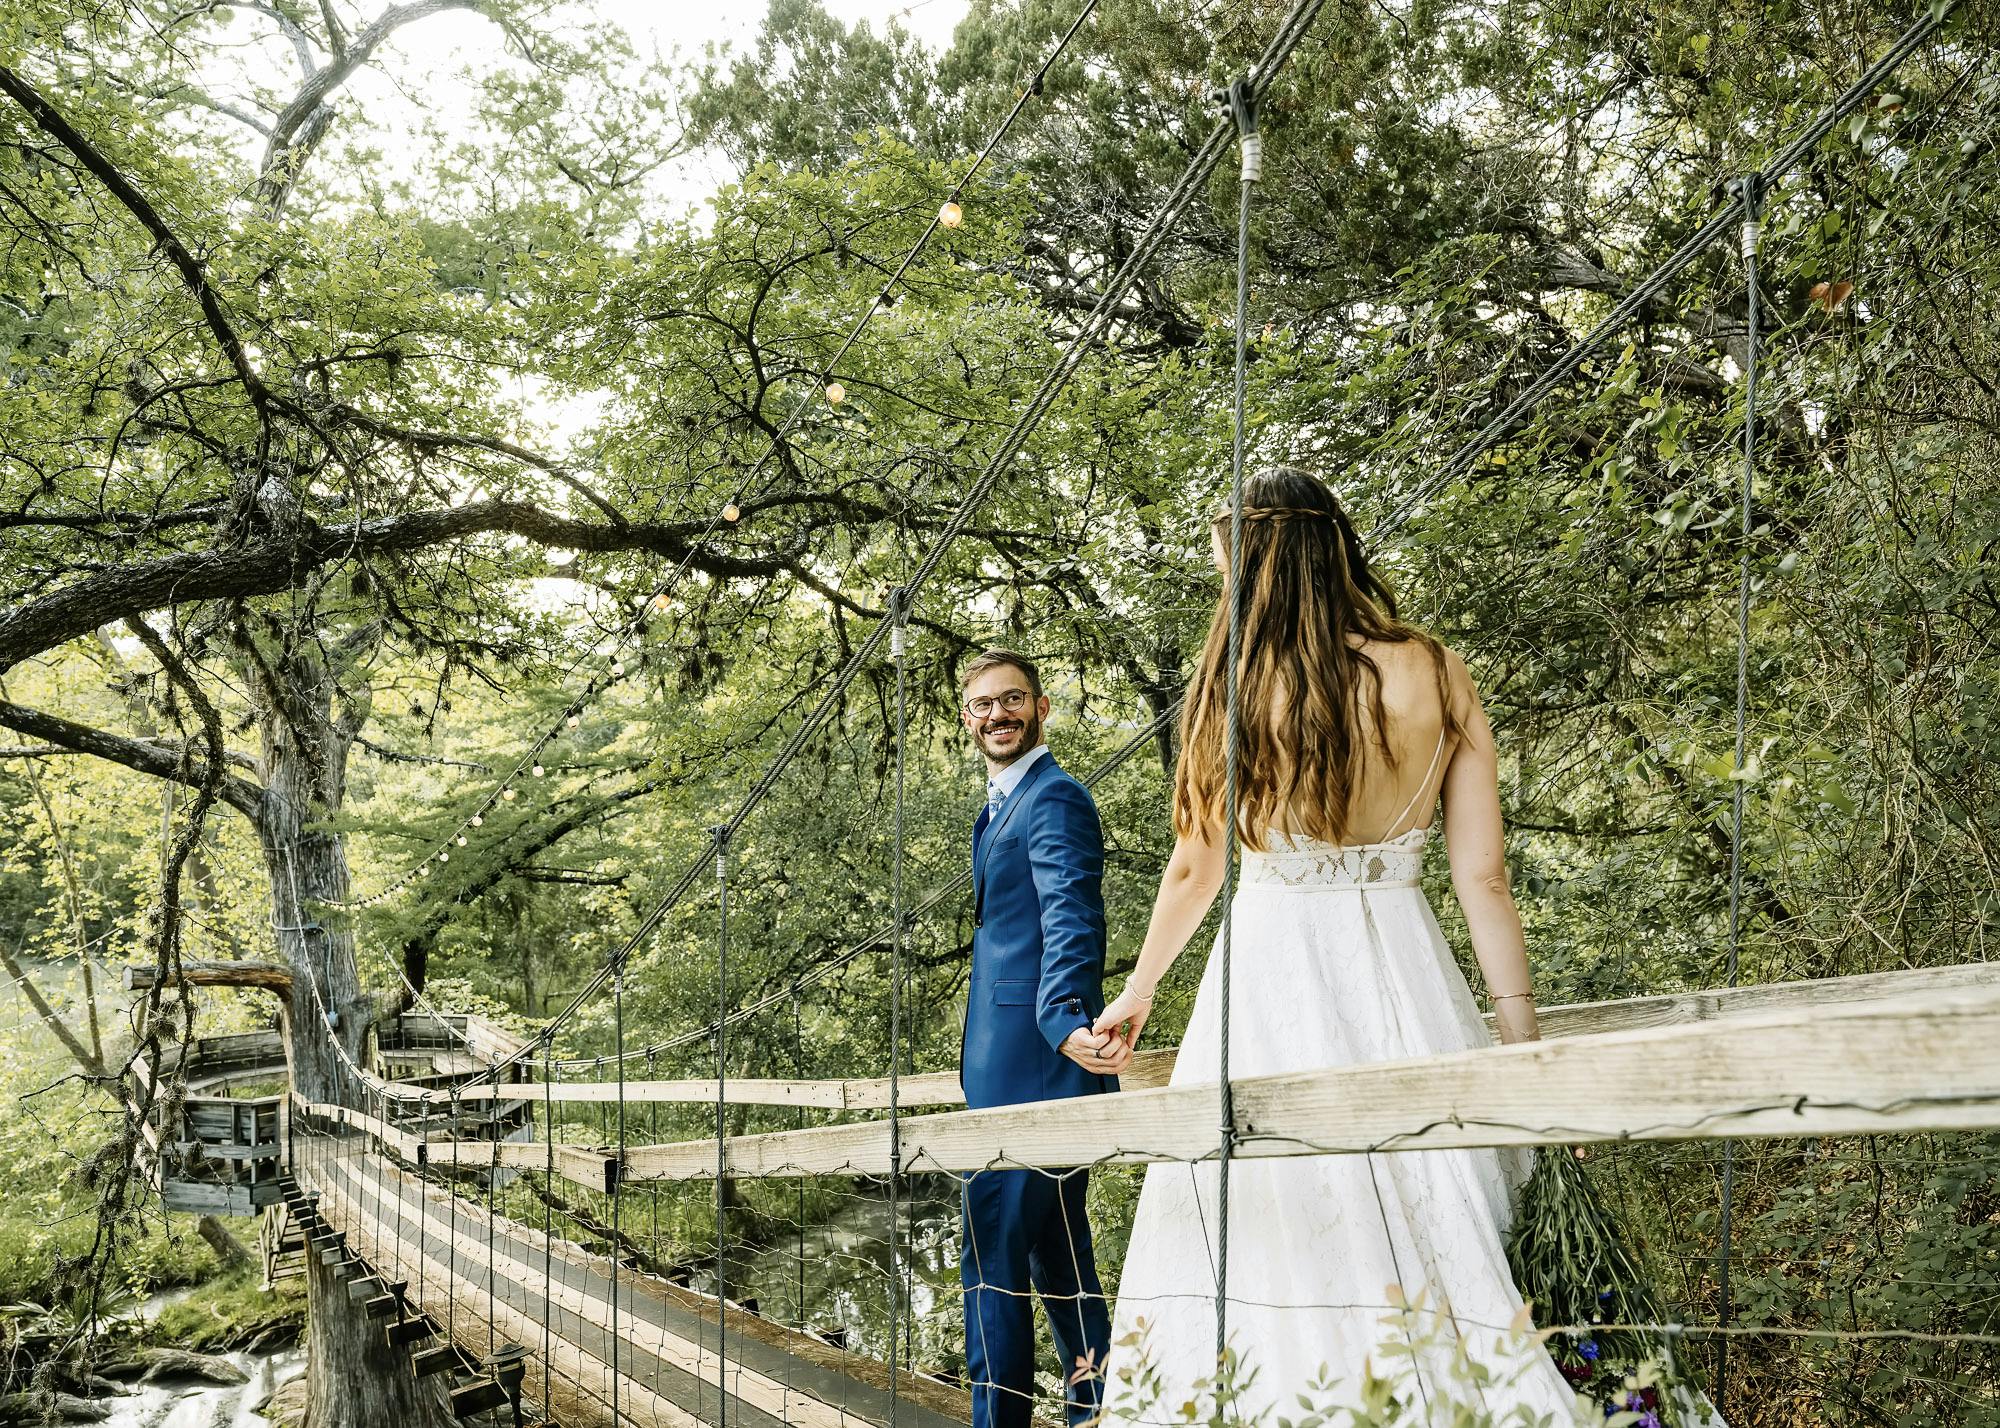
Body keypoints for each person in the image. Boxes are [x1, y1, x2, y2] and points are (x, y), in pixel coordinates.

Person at [1091, 467, 1580, 1423]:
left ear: (1253, 560)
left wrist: (1138, 992)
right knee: (1436, 1212)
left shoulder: (1235, 687)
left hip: (1269, 978)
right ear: (1335, 544)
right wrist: (1521, 1040)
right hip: (1408, 968)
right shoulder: (1434, 670)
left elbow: (1197, 870)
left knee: (1260, 1220)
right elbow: (1484, 878)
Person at [955, 648, 1122, 1428]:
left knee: (990, 1260)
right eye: (984, 704)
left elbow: (1071, 915)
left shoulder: (1053, 799)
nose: (999, 715)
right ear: (967, 718)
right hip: (1010, 1068)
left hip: (1033, 1065)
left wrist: (1063, 1018)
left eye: (1013, 699)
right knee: (1059, 1259)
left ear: (1042, 707)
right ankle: (1096, 1410)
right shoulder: (1001, 804)